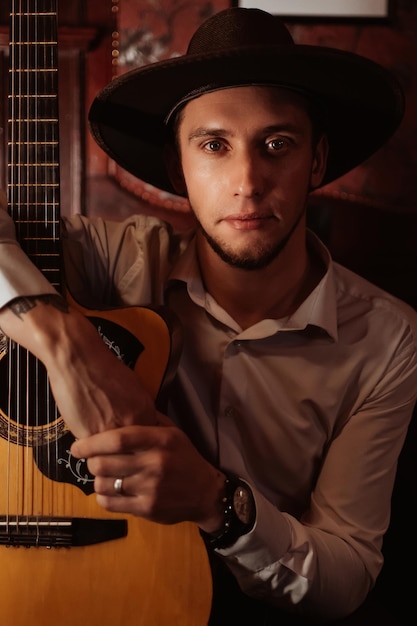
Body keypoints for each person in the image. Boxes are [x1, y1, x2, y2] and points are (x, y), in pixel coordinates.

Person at [0, 6, 416, 625]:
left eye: (277, 144)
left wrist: (214, 501)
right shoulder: (117, 261)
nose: (247, 181)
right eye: (214, 146)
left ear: (318, 161)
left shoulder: (386, 336)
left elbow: (346, 576)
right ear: (178, 168)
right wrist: (67, 343)